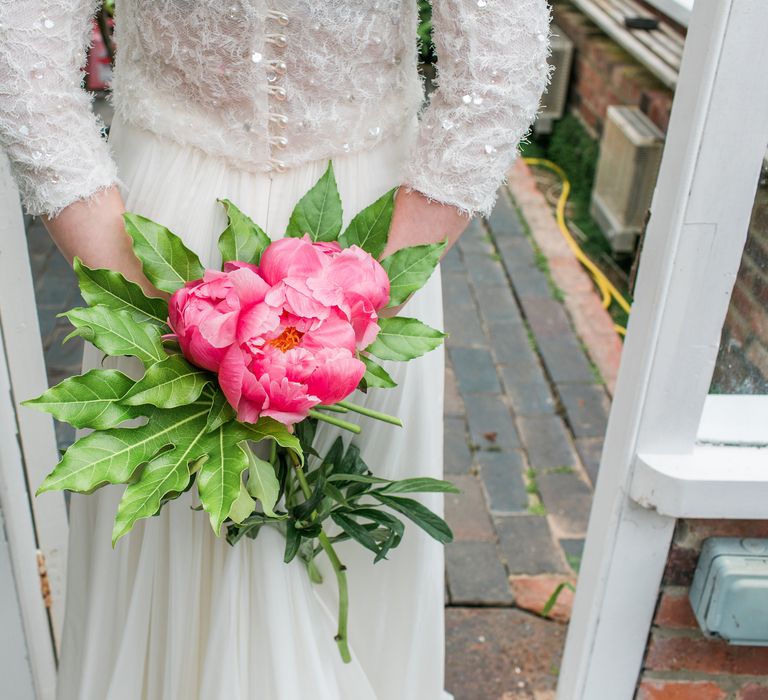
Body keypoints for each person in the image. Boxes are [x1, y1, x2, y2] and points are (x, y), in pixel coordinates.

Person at [0, 2, 551, 698]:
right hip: (171, 247)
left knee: (321, 533)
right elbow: (23, 68)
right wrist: (160, 303)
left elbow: (498, 77)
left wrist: (355, 305)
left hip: (354, 245)